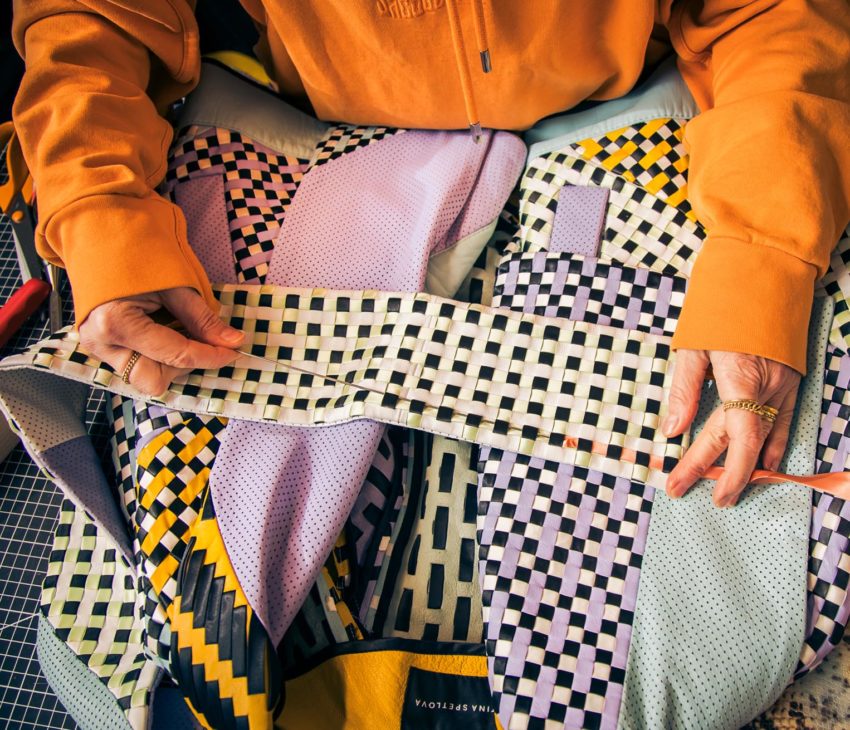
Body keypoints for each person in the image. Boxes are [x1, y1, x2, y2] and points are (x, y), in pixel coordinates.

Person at [10, 1, 850, 509]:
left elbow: (775, 14)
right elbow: (92, 15)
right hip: (310, 136)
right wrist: (101, 213)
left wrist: (762, 259)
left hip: (652, 120)